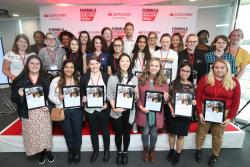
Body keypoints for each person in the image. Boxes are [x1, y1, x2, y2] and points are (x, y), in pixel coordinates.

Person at [195, 59, 241, 167]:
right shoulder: (205, 79)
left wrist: (230, 117)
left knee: (218, 136)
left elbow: (236, 102)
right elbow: (198, 97)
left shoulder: (234, 82)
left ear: (227, 69)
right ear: (213, 68)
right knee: (201, 132)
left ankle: (215, 155)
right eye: (216, 67)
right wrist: (199, 112)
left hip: (223, 113)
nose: (219, 70)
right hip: (205, 110)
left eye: (222, 67)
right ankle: (198, 150)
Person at [11, 55, 54, 164]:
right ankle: (41, 152)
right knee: (34, 134)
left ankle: (47, 150)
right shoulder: (19, 79)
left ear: (41, 65)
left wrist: (49, 107)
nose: (35, 65)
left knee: (45, 133)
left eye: (37, 63)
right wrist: (19, 95)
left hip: (43, 111)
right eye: (32, 63)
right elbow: (13, 98)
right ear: (27, 65)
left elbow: (52, 96)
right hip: (28, 112)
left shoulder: (47, 78)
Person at [49, 60, 83, 165]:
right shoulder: (56, 80)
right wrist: (59, 99)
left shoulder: (78, 80)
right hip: (62, 110)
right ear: (63, 68)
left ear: (74, 69)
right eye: (66, 67)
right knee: (68, 133)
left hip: (76, 110)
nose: (69, 69)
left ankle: (77, 152)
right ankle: (71, 152)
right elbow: (50, 96)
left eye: (71, 67)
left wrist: (84, 99)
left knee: (77, 132)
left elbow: (82, 95)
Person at [107, 53, 139, 166]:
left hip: (129, 111)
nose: (124, 63)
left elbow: (136, 98)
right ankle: (119, 152)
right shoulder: (112, 78)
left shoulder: (134, 78)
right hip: (117, 112)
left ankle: (125, 152)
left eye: (127, 61)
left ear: (130, 63)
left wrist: (135, 93)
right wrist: (114, 108)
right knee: (118, 133)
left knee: (126, 133)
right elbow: (109, 95)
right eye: (122, 61)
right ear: (118, 63)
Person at [136, 57, 169, 162]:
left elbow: (165, 101)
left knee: (154, 133)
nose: (154, 68)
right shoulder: (140, 79)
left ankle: (152, 150)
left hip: (156, 114)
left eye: (156, 66)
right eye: (152, 65)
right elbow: (137, 98)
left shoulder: (163, 81)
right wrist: (141, 107)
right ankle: (145, 150)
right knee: (145, 132)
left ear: (160, 68)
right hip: (144, 112)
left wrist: (166, 98)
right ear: (148, 66)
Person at [81, 56, 110, 164]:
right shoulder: (84, 78)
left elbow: (110, 93)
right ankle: (96, 150)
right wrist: (83, 98)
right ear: (88, 65)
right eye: (91, 64)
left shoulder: (106, 76)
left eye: (96, 63)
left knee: (105, 130)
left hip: (103, 109)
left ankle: (107, 150)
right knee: (93, 131)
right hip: (90, 109)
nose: (94, 66)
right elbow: (82, 92)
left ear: (100, 64)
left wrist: (107, 104)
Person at [166, 62, 196, 166]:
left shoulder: (192, 85)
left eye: (188, 71)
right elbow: (168, 99)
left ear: (190, 72)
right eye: (183, 70)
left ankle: (177, 154)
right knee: (172, 134)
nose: (185, 73)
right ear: (179, 71)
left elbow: (193, 101)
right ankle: (171, 150)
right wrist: (171, 109)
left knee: (181, 136)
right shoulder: (173, 84)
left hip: (185, 115)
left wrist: (194, 102)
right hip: (173, 114)